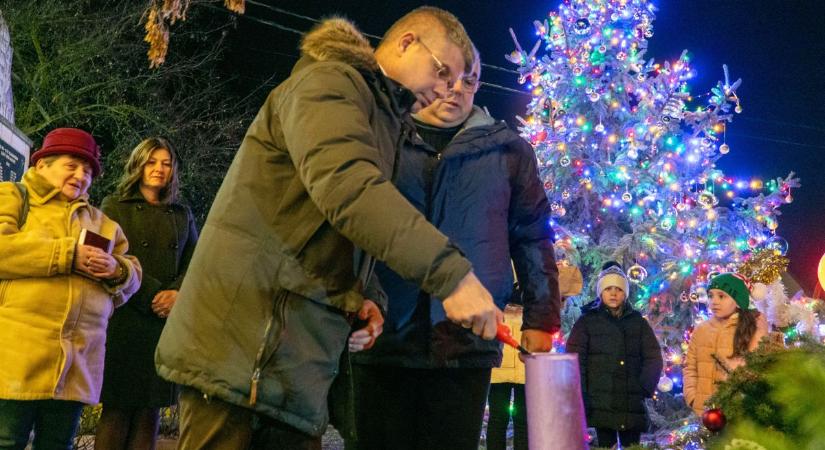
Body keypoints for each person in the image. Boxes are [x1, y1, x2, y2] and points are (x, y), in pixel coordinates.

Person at [154, 7, 502, 449]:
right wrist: (452, 276)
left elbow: (339, 230)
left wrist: (367, 297)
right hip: (242, 351)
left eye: (458, 82)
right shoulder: (329, 84)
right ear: (407, 41)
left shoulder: (383, 123)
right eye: (442, 70)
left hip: (290, 361)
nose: (447, 90)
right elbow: (348, 190)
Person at [350, 51, 562, 450]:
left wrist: (541, 318)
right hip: (383, 335)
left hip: (465, 343)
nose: (457, 89)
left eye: (470, 80)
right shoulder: (380, 139)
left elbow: (533, 237)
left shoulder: (509, 151)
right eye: (447, 76)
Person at [0, 127, 141, 448]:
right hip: (15, 361)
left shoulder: (103, 223)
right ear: (42, 165)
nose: (82, 176)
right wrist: (68, 254)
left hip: (77, 367)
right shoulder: (12, 196)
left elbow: (133, 272)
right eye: (72, 165)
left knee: (58, 445)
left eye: (88, 171)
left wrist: (117, 270)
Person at [94, 138, 198, 449]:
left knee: (149, 413)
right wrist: (154, 293)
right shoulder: (113, 207)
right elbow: (105, 260)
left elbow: (196, 261)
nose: (159, 169)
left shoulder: (182, 213)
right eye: (152, 162)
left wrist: (177, 293)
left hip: (163, 324)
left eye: (166, 163)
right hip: (126, 318)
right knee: (117, 411)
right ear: (138, 165)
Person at [565, 262, 663, 448]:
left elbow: (653, 357)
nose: (613, 293)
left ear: (625, 293)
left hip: (630, 399)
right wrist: (581, 391)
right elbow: (575, 359)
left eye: (618, 289)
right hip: (601, 399)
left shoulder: (637, 323)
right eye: (608, 288)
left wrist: (643, 386)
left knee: (631, 445)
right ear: (600, 292)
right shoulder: (587, 322)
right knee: (605, 444)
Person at [683, 272, 768, 416]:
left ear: (737, 300)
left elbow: (757, 371)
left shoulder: (754, 329)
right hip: (704, 413)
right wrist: (692, 398)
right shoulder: (701, 330)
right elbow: (690, 367)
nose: (714, 301)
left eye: (721, 296)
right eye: (711, 296)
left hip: (737, 414)